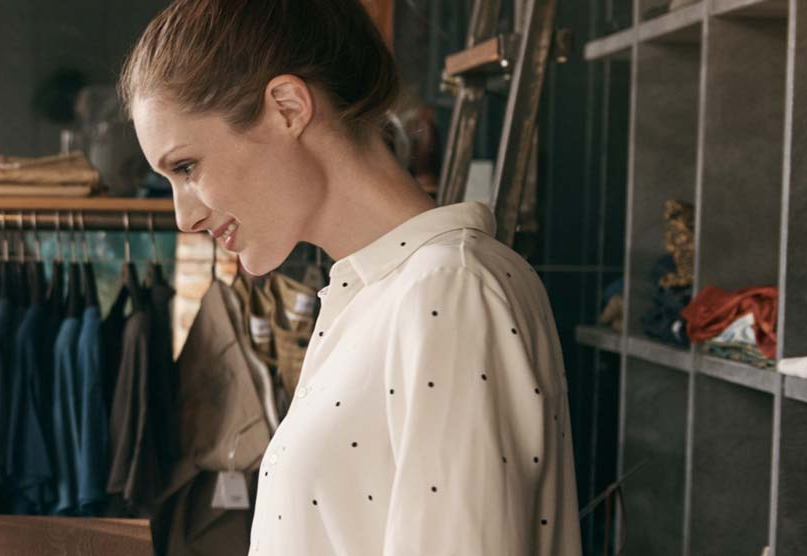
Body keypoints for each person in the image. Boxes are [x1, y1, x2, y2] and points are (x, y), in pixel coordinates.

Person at [120, 0, 582, 554]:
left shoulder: (447, 290)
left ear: (288, 107)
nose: (183, 216)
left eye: (186, 167)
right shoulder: (377, 292)